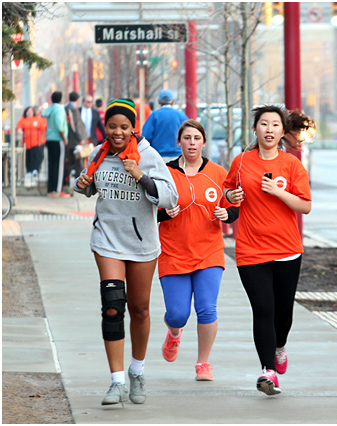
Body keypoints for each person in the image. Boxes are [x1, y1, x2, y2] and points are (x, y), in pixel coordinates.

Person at [73, 98, 179, 406]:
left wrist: (141, 176)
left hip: (141, 243)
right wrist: (83, 183)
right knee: (112, 305)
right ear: (104, 127)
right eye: (112, 126)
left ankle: (137, 371)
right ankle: (116, 381)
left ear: (134, 128)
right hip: (106, 238)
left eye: (124, 127)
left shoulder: (148, 156)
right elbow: (90, 187)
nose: (117, 133)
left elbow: (169, 197)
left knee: (140, 309)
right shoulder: (98, 153)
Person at [223, 105, 312, 396]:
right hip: (250, 249)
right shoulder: (242, 162)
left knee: (282, 314)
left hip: (287, 248)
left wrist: (279, 192)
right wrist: (230, 196)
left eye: (275, 125)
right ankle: (268, 372)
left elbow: (305, 206)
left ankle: (280, 346)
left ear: (282, 132)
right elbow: (227, 191)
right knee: (262, 309)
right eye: (264, 124)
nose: (269, 129)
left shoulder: (292, 165)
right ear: (255, 129)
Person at [157, 119, 239, 381]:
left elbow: (233, 208)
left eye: (197, 138)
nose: (192, 143)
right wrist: (163, 214)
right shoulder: (165, 173)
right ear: (179, 142)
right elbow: (150, 207)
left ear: (204, 142)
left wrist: (226, 213)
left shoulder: (217, 173)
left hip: (209, 251)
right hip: (173, 250)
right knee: (178, 314)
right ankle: (174, 333)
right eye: (187, 138)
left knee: (207, 309)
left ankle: (203, 363)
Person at [142, 90, 188, 162]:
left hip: (158, 156)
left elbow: (146, 136)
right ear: (172, 101)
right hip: (178, 156)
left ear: (159, 101)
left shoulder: (154, 116)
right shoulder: (181, 115)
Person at [44, 91, 69, 198]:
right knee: (59, 165)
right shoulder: (59, 109)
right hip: (58, 139)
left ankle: (50, 189)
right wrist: (64, 138)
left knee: (52, 164)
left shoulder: (49, 109)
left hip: (49, 138)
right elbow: (59, 125)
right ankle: (57, 190)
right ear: (61, 99)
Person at [16, 106, 47, 187]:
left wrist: (42, 141)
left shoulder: (37, 119)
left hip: (35, 142)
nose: (29, 113)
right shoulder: (22, 120)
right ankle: (28, 170)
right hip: (26, 143)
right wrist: (20, 133)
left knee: (35, 156)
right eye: (28, 111)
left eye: (31, 111)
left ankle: (35, 169)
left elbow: (42, 130)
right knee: (28, 157)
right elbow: (19, 128)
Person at [65, 92, 87, 183]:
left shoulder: (66, 108)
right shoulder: (73, 109)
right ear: (77, 99)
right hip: (75, 140)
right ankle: (78, 182)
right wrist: (80, 138)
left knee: (69, 161)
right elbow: (75, 125)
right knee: (78, 162)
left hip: (69, 139)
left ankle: (68, 181)